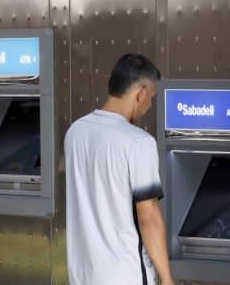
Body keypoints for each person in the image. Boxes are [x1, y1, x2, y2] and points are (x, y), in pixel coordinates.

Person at [65, 54, 175, 285]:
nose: (149, 105)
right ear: (141, 93)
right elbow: (148, 216)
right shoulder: (138, 142)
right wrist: (166, 278)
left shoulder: (75, 132)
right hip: (127, 275)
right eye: (151, 98)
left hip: (83, 275)